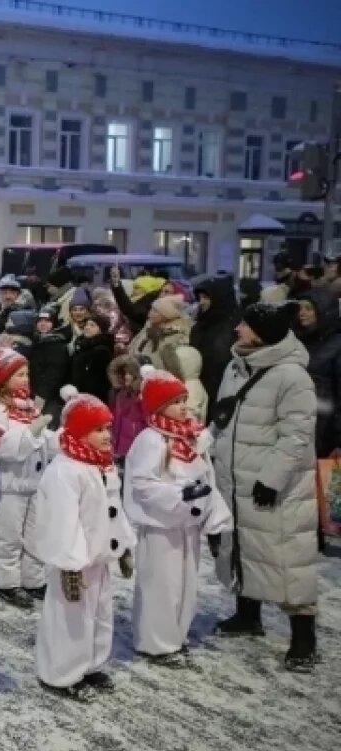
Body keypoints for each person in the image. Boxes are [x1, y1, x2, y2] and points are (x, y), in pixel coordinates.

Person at [213, 302, 321, 672]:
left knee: (287, 557)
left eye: (245, 324)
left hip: (274, 484)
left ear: (263, 333)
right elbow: (224, 418)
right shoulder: (235, 366)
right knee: (242, 546)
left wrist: (272, 479)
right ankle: (248, 615)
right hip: (235, 477)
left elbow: (297, 436)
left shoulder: (292, 376)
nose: (238, 329)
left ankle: (304, 637)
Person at [125, 367, 232, 667]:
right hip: (162, 525)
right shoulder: (151, 439)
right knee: (161, 584)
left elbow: (199, 457)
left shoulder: (185, 433)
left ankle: (175, 635)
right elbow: (143, 483)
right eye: (175, 402)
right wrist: (179, 495)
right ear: (158, 406)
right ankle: (155, 643)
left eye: (184, 400)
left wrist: (215, 427)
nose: (184, 406)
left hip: (187, 523)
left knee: (185, 583)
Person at [33, 389, 136, 700]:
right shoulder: (65, 471)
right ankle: (61, 673)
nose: (107, 435)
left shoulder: (101, 465)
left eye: (107, 428)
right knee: (70, 617)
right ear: (78, 431)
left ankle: (91, 664)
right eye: (98, 429)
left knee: (100, 613)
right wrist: (69, 565)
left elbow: (114, 508)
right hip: (75, 562)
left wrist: (123, 545)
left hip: (98, 557)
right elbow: (62, 521)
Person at [0, 347, 55, 609]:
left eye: (27, 374)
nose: (25, 379)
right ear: (3, 378)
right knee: (9, 536)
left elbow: (43, 440)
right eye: (19, 375)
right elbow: (3, 447)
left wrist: (58, 440)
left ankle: (33, 579)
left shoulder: (29, 406)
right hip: (9, 484)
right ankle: (7, 583)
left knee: (34, 534)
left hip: (35, 483)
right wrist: (30, 433)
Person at [293, 289, 341, 457]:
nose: (302, 313)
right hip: (297, 426)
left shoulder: (337, 345)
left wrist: (339, 440)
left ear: (324, 311)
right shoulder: (296, 341)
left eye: (308, 308)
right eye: (299, 308)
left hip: (324, 432)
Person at [189, 275, 239, 416]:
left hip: (223, 393)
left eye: (206, 297)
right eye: (200, 298)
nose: (201, 302)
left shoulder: (235, 327)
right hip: (200, 390)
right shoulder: (199, 325)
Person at [69, 312, 114, 403]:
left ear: (101, 330)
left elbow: (96, 383)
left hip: (92, 400)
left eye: (92, 325)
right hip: (77, 396)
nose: (87, 327)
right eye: (86, 325)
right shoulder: (81, 345)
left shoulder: (102, 351)